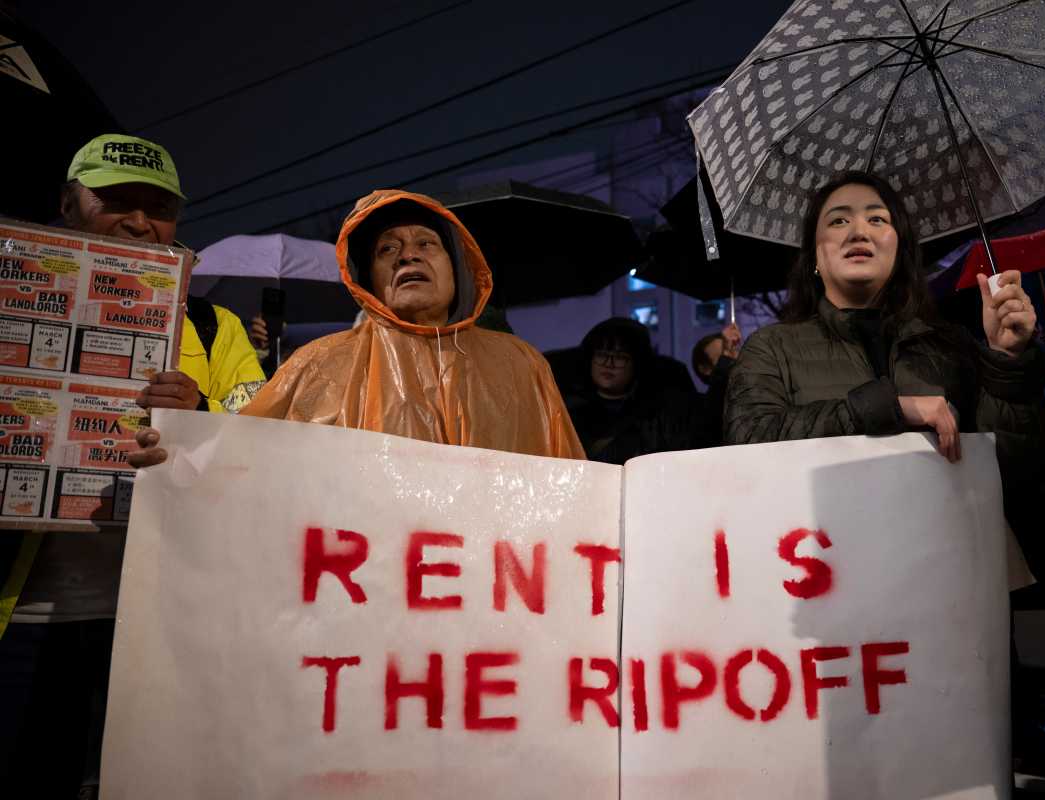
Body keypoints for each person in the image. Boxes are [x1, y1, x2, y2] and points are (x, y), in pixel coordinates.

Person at [0, 133, 265, 797]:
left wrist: (198, 412)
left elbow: (266, 444)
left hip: (155, 621)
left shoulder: (215, 326)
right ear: (68, 203)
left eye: (160, 207)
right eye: (117, 201)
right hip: (21, 623)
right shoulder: (12, 296)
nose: (142, 222)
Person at [132, 189, 583, 465]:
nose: (408, 255)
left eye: (426, 244)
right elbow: (250, 456)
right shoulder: (319, 364)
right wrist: (186, 438)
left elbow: (570, 480)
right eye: (388, 250)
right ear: (369, 281)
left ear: (458, 269)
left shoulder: (522, 364)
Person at [724, 171, 1045, 466]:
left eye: (877, 219)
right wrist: (889, 408)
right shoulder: (771, 349)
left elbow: (1014, 469)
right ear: (814, 257)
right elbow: (748, 441)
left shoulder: (952, 346)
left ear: (899, 249)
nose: (859, 232)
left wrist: (1006, 361)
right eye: (838, 221)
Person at [558, 317, 708, 464]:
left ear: (636, 364)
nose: (608, 363)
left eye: (620, 357)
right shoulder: (568, 409)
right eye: (601, 354)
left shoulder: (657, 412)